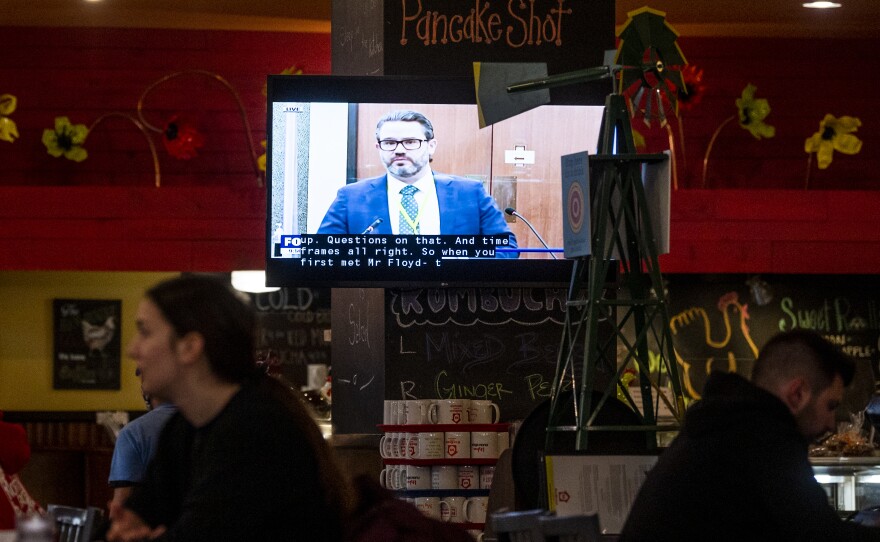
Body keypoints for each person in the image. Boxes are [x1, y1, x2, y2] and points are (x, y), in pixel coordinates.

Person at [107, 275, 354, 542]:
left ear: (189, 347)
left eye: (145, 332)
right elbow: (131, 518)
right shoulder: (183, 428)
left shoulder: (255, 431)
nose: (133, 350)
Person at [620, 329, 880, 541]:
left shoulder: (724, 426)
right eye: (830, 406)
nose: (832, 425)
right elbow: (822, 537)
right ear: (797, 394)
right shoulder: (762, 437)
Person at [317, 109, 518, 258]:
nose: (399, 150)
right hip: (377, 302)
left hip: (454, 301)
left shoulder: (470, 193)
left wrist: (459, 267)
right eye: (389, 143)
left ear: (431, 146)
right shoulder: (350, 197)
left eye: (411, 142)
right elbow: (324, 252)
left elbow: (506, 248)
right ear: (378, 147)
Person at [107, 376, 176, 507]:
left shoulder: (133, 433)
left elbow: (122, 504)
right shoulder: (207, 423)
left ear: (145, 390)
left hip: (153, 525)